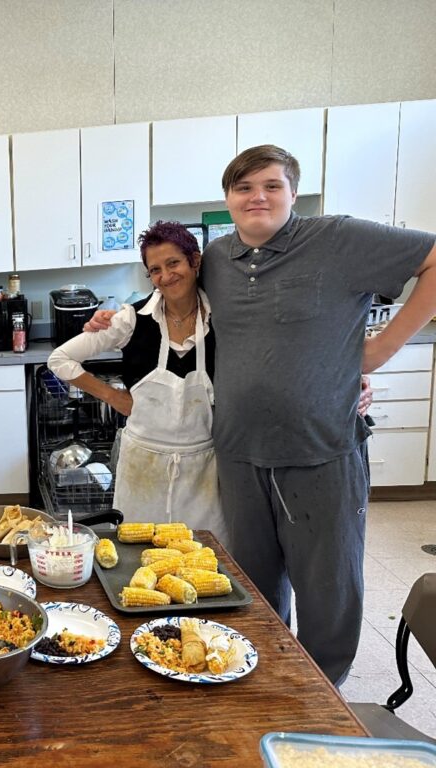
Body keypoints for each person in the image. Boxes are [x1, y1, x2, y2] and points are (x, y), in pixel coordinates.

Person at [87, 145, 436, 684]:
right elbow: (171, 297)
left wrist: (381, 350)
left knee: (327, 588)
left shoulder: (339, 238)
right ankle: (269, 679)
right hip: (238, 454)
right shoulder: (219, 260)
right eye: (244, 188)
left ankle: (324, 692)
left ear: (292, 193)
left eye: (272, 185)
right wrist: (113, 315)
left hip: (319, 451)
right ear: (228, 199)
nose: (258, 197)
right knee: (253, 584)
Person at [48, 221, 227, 542]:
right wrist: (113, 397)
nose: (165, 276)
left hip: (202, 468)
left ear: (194, 261)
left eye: (173, 263)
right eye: (155, 269)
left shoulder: (222, 318)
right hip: (142, 465)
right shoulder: (131, 319)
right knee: (138, 557)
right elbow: (60, 359)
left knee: (203, 557)